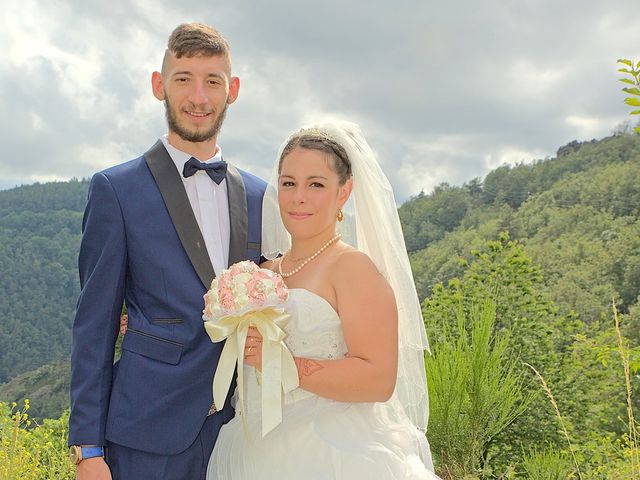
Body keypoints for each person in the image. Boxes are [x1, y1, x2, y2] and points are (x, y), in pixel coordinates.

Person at [68, 23, 266, 479]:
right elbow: (94, 325)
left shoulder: (261, 196)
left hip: (241, 431)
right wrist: (88, 449)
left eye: (212, 81)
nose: (199, 96)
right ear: (159, 85)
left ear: (232, 90)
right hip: (145, 434)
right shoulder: (115, 190)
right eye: (183, 79)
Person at [207, 121, 441, 479]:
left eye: (315, 184)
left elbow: (378, 379)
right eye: (289, 183)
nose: (298, 196)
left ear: (343, 192)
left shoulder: (352, 268)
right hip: (252, 450)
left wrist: (284, 365)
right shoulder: (263, 273)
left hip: (329, 452)